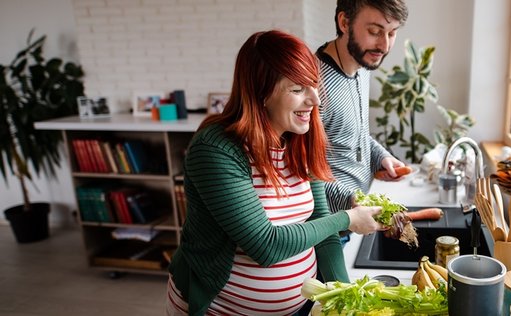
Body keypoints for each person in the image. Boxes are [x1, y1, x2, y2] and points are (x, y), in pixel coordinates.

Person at [165, 30, 384, 316]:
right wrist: (347, 219)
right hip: (219, 310)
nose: (315, 100)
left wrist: (348, 301)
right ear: (261, 92)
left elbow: (321, 228)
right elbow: (266, 246)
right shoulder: (215, 150)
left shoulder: (299, 139)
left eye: (314, 85)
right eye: (297, 89)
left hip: (296, 309)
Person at [316, 0, 410, 235]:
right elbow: (301, 173)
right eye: (375, 31)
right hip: (328, 231)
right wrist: (352, 202)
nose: (384, 45)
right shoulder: (312, 85)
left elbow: (354, 133)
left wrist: (382, 157)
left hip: (356, 221)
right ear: (344, 22)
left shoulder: (362, 66)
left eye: (392, 33)